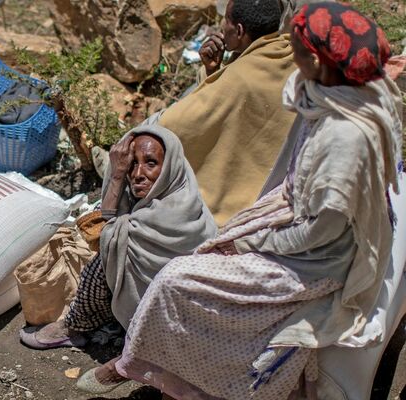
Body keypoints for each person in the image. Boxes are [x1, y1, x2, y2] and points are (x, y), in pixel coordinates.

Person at [85, 4, 402, 398]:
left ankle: (159, 372)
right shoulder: (327, 100)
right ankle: (170, 369)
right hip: (292, 224)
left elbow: (322, 229)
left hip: (314, 261)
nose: (291, 52)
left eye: (300, 47)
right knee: (208, 250)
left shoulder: (344, 138)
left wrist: (254, 242)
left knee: (176, 280)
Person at [19, 125, 217, 353]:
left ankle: (75, 328)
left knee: (103, 262)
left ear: (171, 166)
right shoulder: (165, 197)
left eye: (151, 163)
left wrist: (116, 177)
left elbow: (108, 233)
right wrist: (117, 172)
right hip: (161, 311)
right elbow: (109, 222)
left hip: (177, 318)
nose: (138, 174)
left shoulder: (176, 211)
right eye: (132, 164)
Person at [157, 0, 296, 225]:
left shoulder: (238, 78)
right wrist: (213, 70)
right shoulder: (293, 55)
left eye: (226, 20)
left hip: (241, 204)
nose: (222, 27)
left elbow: (173, 126)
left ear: (239, 30)